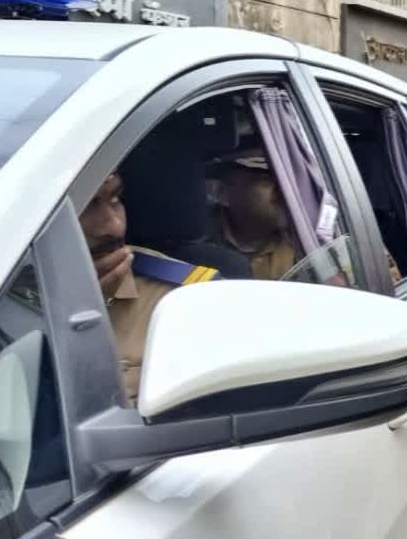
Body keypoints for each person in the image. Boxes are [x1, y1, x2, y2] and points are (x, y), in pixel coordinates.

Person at [80, 172, 220, 402]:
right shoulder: (5, 283)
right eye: (86, 206)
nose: (114, 227)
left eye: (115, 199)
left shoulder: (185, 299)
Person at [208, 148, 298, 281]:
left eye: (286, 180)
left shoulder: (303, 244)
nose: (284, 190)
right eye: (267, 179)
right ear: (222, 192)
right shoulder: (195, 241)